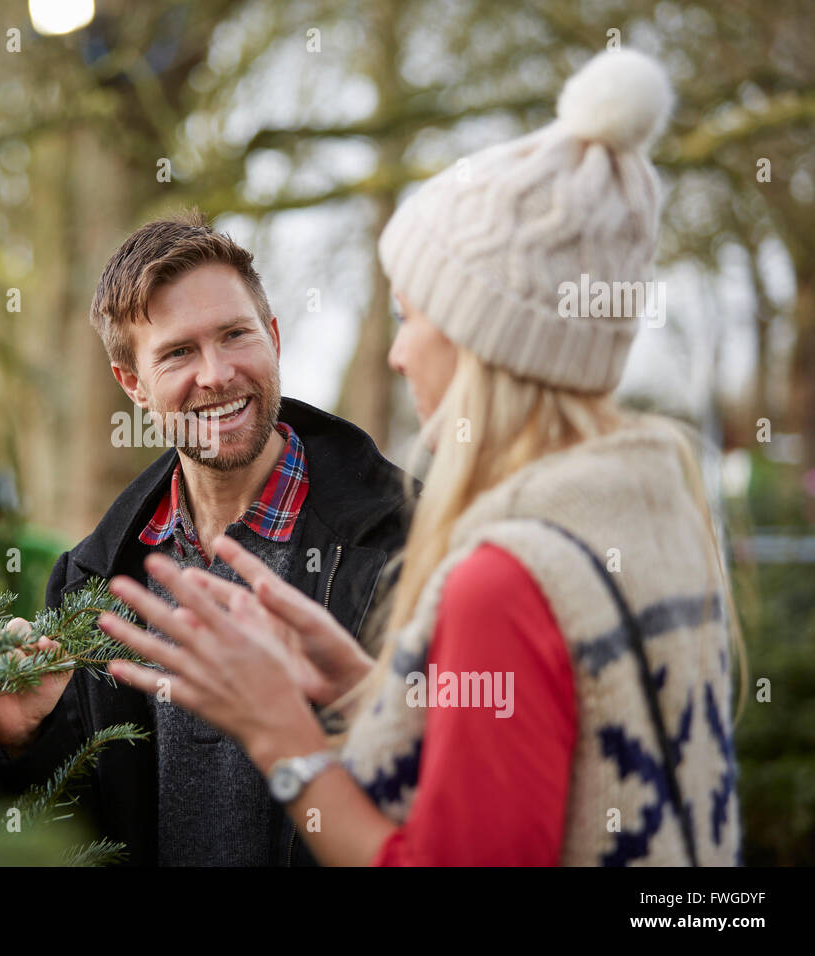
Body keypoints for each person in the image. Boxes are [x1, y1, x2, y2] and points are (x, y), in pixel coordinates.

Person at [96, 48, 745, 866]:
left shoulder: (500, 578)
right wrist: (374, 694)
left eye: (410, 315)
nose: (398, 355)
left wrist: (282, 736)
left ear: (483, 339)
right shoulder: (656, 514)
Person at [0, 211, 414, 866]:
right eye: (178, 352)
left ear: (274, 338)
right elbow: (79, 833)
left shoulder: (408, 545)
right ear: (132, 386)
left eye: (235, 335)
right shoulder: (92, 581)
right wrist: (25, 746)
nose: (217, 374)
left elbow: (458, 799)